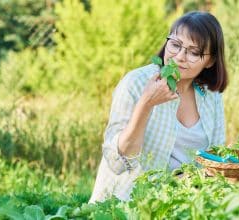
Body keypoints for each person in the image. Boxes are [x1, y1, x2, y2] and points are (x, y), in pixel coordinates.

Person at [89, 11, 228, 203]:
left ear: (210, 61)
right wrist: (146, 103)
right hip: (127, 204)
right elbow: (117, 161)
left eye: (194, 52)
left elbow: (216, 157)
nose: (179, 57)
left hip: (184, 203)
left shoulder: (210, 95)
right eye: (175, 44)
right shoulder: (136, 83)